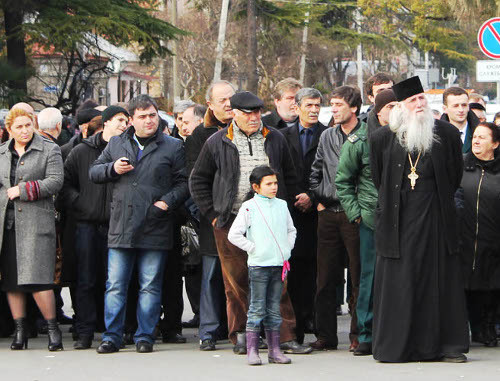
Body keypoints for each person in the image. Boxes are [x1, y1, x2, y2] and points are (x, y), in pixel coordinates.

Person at [190, 91, 311, 355]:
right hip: (230, 220)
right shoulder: (216, 141)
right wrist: (213, 215)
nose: (255, 117)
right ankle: (243, 334)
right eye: (248, 113)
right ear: (234, 113)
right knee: (236, 281)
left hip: (269, 221)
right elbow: (197, 180)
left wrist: (284, 213)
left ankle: (285, 336)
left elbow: (291, 177)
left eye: (257, 112)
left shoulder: (275, 138)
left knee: (278, 280)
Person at [370, 76, 469, 363]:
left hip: (436, 219)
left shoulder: (447, 134)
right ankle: (399, 347)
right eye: (413, 100)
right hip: (398, 223)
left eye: (422, 98)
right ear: (400, 106)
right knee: (401, 284)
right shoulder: (382, 138)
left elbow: (454, 177)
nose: (420, 104)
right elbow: (379, 179)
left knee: (439, 281)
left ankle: (446, 346)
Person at [89, 95, 189, 354]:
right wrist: (112, 168)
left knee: (150, 285)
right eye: (142, 117)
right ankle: (112, 336)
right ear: (131, 120)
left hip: (155, 224)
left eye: (152, 116)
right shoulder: (116, 143)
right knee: (115, 285)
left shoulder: (173, 146)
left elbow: (184, 183)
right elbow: (95, 172)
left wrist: (166, 203)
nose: (148, 121)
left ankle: (145, 335)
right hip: (121, 225)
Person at [335, 89, 396, 357]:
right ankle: (366, 334)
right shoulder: (360, 140)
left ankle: (394, 331)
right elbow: (343, 182)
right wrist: (356, 214)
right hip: (370, 219)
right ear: (378, 110)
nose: (396, 111)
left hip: (402, 219)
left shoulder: (405, 137)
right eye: (390, 106)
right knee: (368, 278)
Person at [62, 105, 129, 349]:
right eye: (120, 120)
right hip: (87, 224)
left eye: (126, 121)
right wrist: (80, 203)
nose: (124, 125)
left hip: (118, 223)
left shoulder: (128, 150)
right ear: (106, 123)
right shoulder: (81, 151)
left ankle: (118, 330)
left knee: (117, 281)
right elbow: (65, 184)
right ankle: (85, 331)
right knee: (86, 280)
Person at [0, 108, 64, 351]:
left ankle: (52, 329)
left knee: (39, 279)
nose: (25, 130)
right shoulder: (2, 153)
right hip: (7, 225)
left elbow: (56, 181)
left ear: (34, 124)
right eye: (19, 127)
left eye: (28, 125)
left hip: (37, 222)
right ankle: (20, 330)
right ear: (10, 130)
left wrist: (24, 190)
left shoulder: (50, 149)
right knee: (12, 281)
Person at [309, 86, 363, 352]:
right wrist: (320, 200)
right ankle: (326, 335)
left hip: (355, 217)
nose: (333, 109)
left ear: (353, 108)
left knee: (358, 276)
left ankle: (358, 334)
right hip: (328, 214)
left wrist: (360, 209)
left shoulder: (366, 136)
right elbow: (315, 171)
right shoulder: (327, 135)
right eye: (331, 104)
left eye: (339, 104)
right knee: (326, 277)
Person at [228, 165, 296, 365]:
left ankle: (274, 350)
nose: (274, 187)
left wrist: (286, 249)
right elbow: (234, 234)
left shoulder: (282, 205)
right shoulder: (249, 206)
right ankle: (252, 350)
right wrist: (253, 248)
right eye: (269, 184)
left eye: (275, 183)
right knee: (257, 307)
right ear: (256, 187)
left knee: (274, 308)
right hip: (259, 266)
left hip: (279, 264)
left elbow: (291, 230)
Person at [185, 80, 235, 351]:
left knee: (241, 275)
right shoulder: (199, 137)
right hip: (213, 217)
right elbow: (196, 180)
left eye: (231, 99)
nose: (228, 104)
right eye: (222, 100)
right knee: (211, 274)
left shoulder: (244, 130)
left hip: (243, 216)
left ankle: (239, 327)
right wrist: (212, 213)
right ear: (210, 105)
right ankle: (208, 330)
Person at [280, 87, 327, 343]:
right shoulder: (282, 136)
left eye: (317, 105)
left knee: (317, 272)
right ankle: (295, 326)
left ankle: (316, 322)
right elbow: (279, 172)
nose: (313, 110)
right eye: (308, 105)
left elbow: (330, 172)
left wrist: (313, 195)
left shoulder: (327, 134)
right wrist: (296, 196)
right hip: (291, 212)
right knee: (294, 271)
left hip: (318, 211)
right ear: (296, 107)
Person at [456, 122, 500, 347]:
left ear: (495, 143)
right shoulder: (461, 165)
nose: (476, 141)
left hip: (491, 239)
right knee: (463, 286)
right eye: (475, 137)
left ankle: (487, 328)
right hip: (463, 238)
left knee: (490, 287)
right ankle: (462, 332)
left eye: (483, 138)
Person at [441, 87, 479, 153]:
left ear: (468, 107)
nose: (461, 110)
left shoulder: (481, 132)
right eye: (455, 106)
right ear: (445, 109)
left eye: (464, 105)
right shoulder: (436, 137)